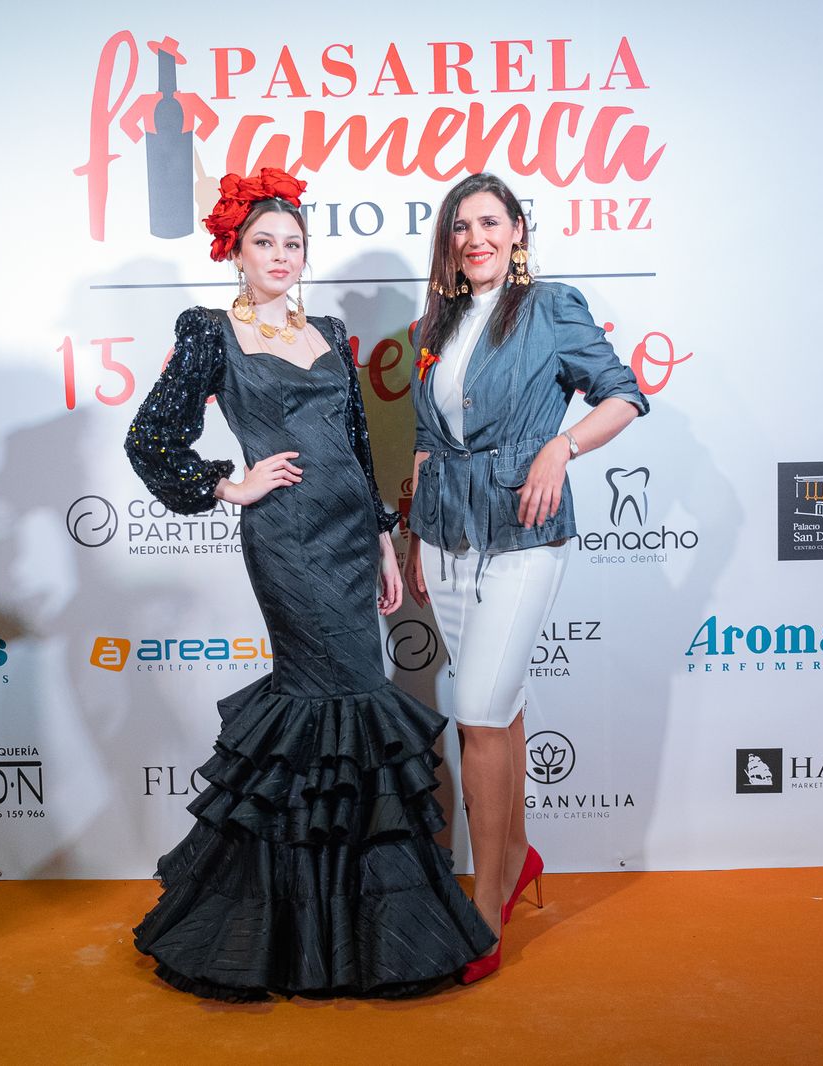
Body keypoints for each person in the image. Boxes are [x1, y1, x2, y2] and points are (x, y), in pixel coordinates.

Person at [124, 168, 495, 1001]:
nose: (281, 256)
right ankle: (300, 933)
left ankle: (351, 932)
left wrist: (378, 540)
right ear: (236, 252)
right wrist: (229, 482)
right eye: (265, 243)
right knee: (334, 700)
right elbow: (150, 438)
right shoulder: (211, 331)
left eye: (293, 244)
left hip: (346, 536)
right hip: (286, 540)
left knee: (351, 704)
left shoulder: (327, 329)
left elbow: (359, 447)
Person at [403, 172, 648, 983]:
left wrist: (561, 445)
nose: (473, 238)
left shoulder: (551, 306)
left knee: (472, 707)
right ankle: (517, 859)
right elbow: (427, 436)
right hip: (444, 533)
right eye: (459, 227)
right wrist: (414, 530)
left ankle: (484, 902)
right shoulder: (438, 319)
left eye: (488, 223)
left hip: (522, 528)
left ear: (515, 231)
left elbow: (623, 395)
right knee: (496, 705)